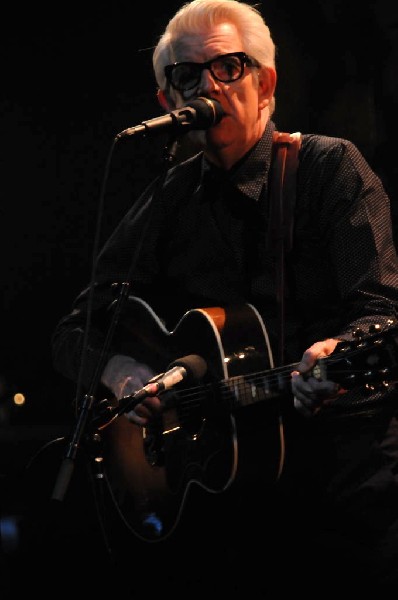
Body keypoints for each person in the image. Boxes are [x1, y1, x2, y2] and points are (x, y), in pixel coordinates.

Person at [49, 0, 398, 594]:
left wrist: (338, 351)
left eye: (228, 67)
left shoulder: (329, 169)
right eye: (187, 74)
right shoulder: (168, 200)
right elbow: (76, 330)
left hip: (347, 490)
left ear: (266, 83)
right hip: (228, 508)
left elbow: (383, 312)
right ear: (167, 102)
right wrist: (126, 373)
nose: (208, 84)